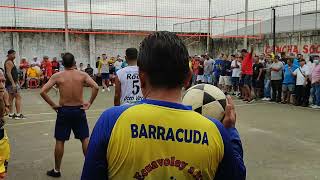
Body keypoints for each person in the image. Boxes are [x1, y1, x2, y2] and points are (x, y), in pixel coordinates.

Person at [81, 31, 246, 180]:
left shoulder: (111, 121)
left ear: (141, 77)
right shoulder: (215, 131)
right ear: (188, 78)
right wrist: (230, 131)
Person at [40, 53, 99, 178]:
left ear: (62, 63)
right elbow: (96, 87)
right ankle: (92, 169)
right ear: (74, 62)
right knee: (84, 138)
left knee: (60, 140)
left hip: (64, 111)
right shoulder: (82, 75)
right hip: (79, 110)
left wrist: (53, 105)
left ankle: (56, 170)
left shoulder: (57, 76)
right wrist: (89, 103)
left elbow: (43, 91)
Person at [4, 50, 26, 119]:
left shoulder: (10, 61)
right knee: (18, 97)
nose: (14, 56)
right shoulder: (9, 62)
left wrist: (17, 81)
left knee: (11, 98)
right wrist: (13, 83)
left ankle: (11, 114)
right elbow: (8, 73)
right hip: (12, 84)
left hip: (11, 83)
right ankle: (18, 114)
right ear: (9, 55)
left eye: (15, 54)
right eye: (13, 54)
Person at [0, 71, 10, 180]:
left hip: (2, 137)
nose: (2, 85)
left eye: (3, 81)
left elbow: (5, 90)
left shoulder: (2, 91)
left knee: (2, 173)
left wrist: (6, 103)